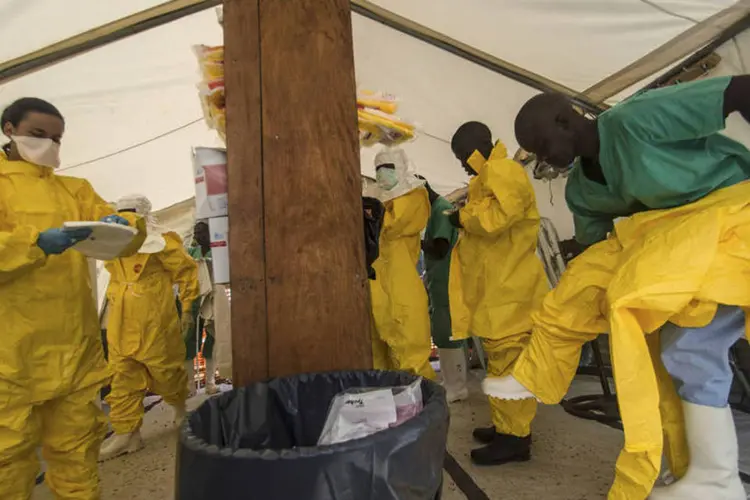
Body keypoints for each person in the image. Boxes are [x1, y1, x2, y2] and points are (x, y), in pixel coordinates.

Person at [502, 75, 750, 499]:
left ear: (566, 118)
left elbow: (741, 90)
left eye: (543, 146)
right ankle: (537, 371)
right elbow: (595, 249)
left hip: (732, 217)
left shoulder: (636, 118)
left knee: (690, 349)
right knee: (609, 300)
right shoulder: (580, 190)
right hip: (672, 245)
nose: (543, 158)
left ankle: (719, 480)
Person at [0, 97, 145, 499]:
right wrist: (34, 244)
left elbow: (122, 236)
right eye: (38, 134)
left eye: (57, 138)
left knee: (77, 452)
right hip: (10, 354)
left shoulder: (74, 190)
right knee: (7, 460)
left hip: (74, 349)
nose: (49, 145)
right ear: (8, 129)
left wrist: (125, 223)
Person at [448, 122, 548, 466]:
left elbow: (498, 218)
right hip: (498, 290)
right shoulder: (488, 176)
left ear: (474, 148)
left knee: (510, 363)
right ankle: (505, 426)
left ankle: (516, 439)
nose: (462, 164)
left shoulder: (503, 171)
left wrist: (461, 217)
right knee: (500, 361)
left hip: (511, 290)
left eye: (462, 156)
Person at [99, 194, 198, 461]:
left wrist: (188, 307)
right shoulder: (113, 245)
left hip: (154, 317)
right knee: (121, 374)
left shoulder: (162, 241)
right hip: (120, 318)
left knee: (164, 368)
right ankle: (126, 434)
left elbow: (187, 271)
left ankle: (179, 408)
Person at [369, 147, 435, 380]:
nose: (381, 175)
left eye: (387, 169)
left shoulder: (414, 197)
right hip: (378, 289)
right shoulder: (377, 202)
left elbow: (394, 224)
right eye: (377, 170)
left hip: (402, 286)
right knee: (380, 358)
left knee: (412, 357)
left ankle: (422, 409)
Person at [416, 175, 468, 403]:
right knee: (442, 332)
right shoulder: (434, 211)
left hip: (448, 280)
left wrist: (412, 242)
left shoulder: (442, 210)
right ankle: (450, 382)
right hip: (439, 281)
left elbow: (439, 248)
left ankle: (457, 387)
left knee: (449, 333)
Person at [184, 220, 219, 396]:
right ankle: (190, 385)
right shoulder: (190, 252)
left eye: (202, 233)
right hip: (192, 300)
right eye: (196, 233)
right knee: (189, 342)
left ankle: (210, 383)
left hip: (212, 300)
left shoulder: (218, 251)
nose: (198, 236)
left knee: (213, 339)